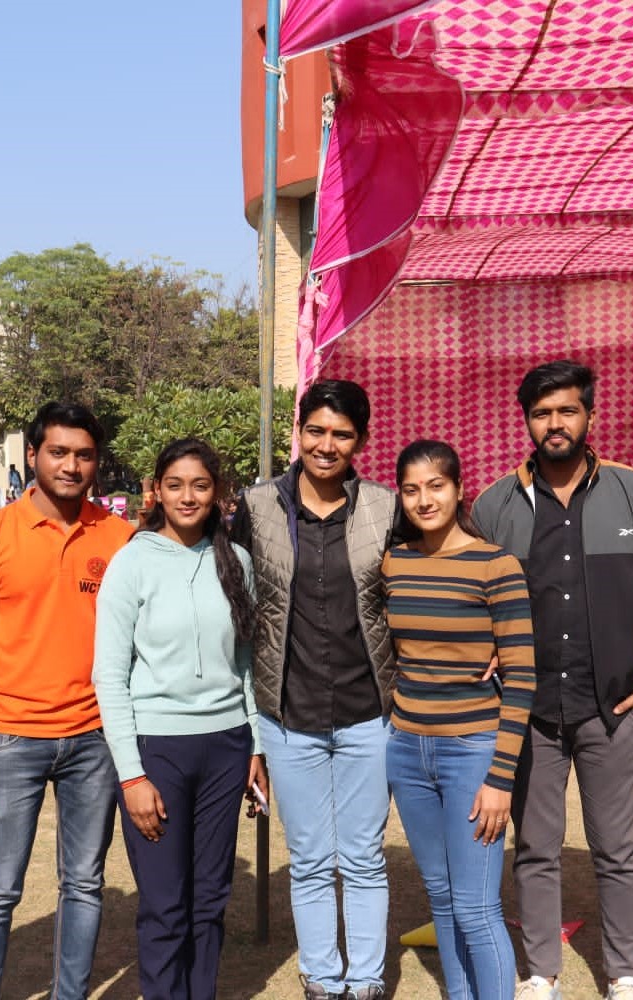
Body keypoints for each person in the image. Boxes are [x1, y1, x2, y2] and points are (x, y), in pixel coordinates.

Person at [472, 361, 633, 1000]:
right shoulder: (494, 505)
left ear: (589, 415)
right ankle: (541, 973)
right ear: (527, 421)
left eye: (566, 411)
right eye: (541, 413)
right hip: (530, 711)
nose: (554, 424)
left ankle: (625, 974)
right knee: (535, 848)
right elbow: (481, 603)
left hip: (614, 707)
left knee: (618, 851)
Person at [0, 402, 134, 1000]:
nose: (71, 465)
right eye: (58, 452)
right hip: (9, 738)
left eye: (84, 455)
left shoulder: (122, 539)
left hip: (94, 739)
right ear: (32, 455)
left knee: (83, 884)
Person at [231, 379, 397, 1000]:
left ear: (361, 441)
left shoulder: (385, 507)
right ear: (298, 432)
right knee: (308, 858)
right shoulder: (257, 507)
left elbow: (424, 582)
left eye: (342, 435)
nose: (327, 446)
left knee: (363, 856)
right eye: (316, 431)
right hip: (287, 715)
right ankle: (323, 979)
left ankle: (367, 979)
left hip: (368, 712)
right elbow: (234, 600)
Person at [93, 437, 264, 1000]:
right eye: (175, 485)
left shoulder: (237, 562)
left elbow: (245, 664)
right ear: (156, 492)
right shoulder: (132, 562)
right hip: (157, 750)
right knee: (166, 905)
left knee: (210, 901)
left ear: (218, 493)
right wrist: (132, 776)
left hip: (226, 748)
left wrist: (255, 746)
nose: (188, 497)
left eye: (200, 485)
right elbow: (109, 676)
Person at [383, 440, 535, 1000]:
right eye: (411, 490)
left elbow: (522, 678)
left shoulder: (495, 565)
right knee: (443, 900)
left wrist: (500, 778)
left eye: (436, 486)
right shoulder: (394, 562)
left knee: (476, 907)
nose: (424, 500)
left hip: (473, 752)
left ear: (458, 489)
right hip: (406, 750)